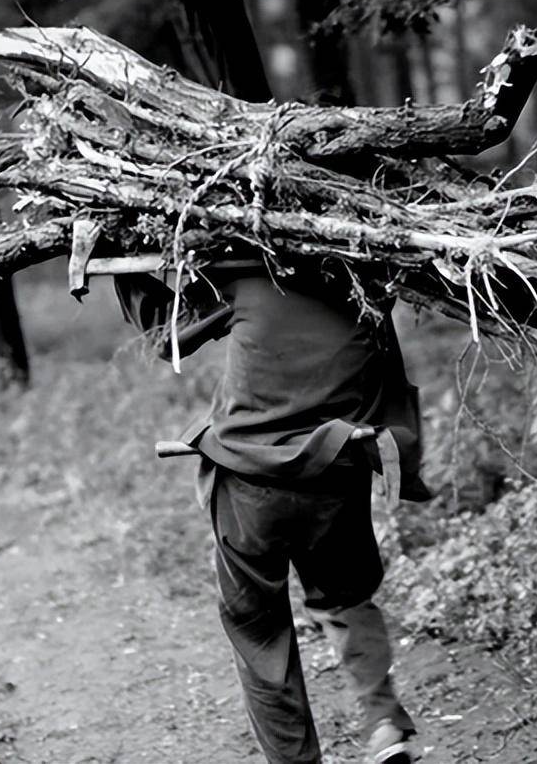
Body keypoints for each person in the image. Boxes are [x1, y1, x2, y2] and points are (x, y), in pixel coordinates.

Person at [114, 257, 429, 764]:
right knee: (347, 601)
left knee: (260, 630)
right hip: (337, 472)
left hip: (250, 484)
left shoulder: (241, 278)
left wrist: (123, 271)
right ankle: (384, 722)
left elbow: (165, 335)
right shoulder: (367, 285)